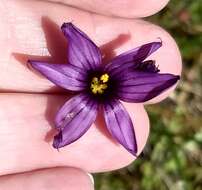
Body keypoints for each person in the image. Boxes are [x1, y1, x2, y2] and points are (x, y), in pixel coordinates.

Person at [0, 0, 181, 189]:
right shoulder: (102, 78)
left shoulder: (111, 94)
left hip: (90, 86)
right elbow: (63, 70)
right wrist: (68, 32)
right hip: (85, 78)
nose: (98, 86)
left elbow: (127, 66)